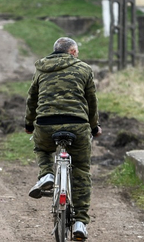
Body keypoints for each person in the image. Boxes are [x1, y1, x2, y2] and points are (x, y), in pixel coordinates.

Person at [25, 37, 101, 240]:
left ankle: (46, 175)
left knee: (42, 148)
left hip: (45, 124)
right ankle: (80, 222)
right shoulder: (84, 69)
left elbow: (32, 99)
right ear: (73, 52)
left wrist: (28, 124)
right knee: (82, 170)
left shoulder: (41, 68)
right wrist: (94, 127)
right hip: (77, 124)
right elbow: (91, 102)